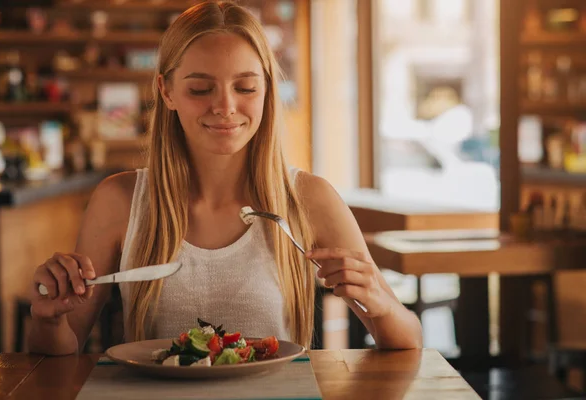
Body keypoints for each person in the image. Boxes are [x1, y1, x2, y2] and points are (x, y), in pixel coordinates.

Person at [28, 1, 422, 355]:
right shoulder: (119, 200)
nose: (225, 107)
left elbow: (408, 339)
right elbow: (62, 352)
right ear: (166, 92)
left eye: (246, 87)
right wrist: (48, 319)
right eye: (200, 89)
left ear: (267, 89)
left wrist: (380, 301)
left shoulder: (308, 199)